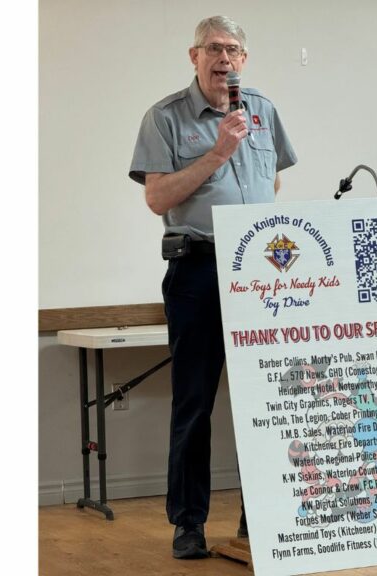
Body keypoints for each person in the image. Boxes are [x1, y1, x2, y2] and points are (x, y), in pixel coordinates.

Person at [128, 15, 298, 559]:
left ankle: (263, 519)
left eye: (232, 49)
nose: (223, 58)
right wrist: (219, 153)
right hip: (199, 270)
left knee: (271, 399)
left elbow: (271, 181)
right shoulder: (165, 118)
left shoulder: (264, 111)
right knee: (195, 402)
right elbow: (158, 199)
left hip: (265, 276)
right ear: (193, 56)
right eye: (212, 49)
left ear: (243, 60)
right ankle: (188, 524)